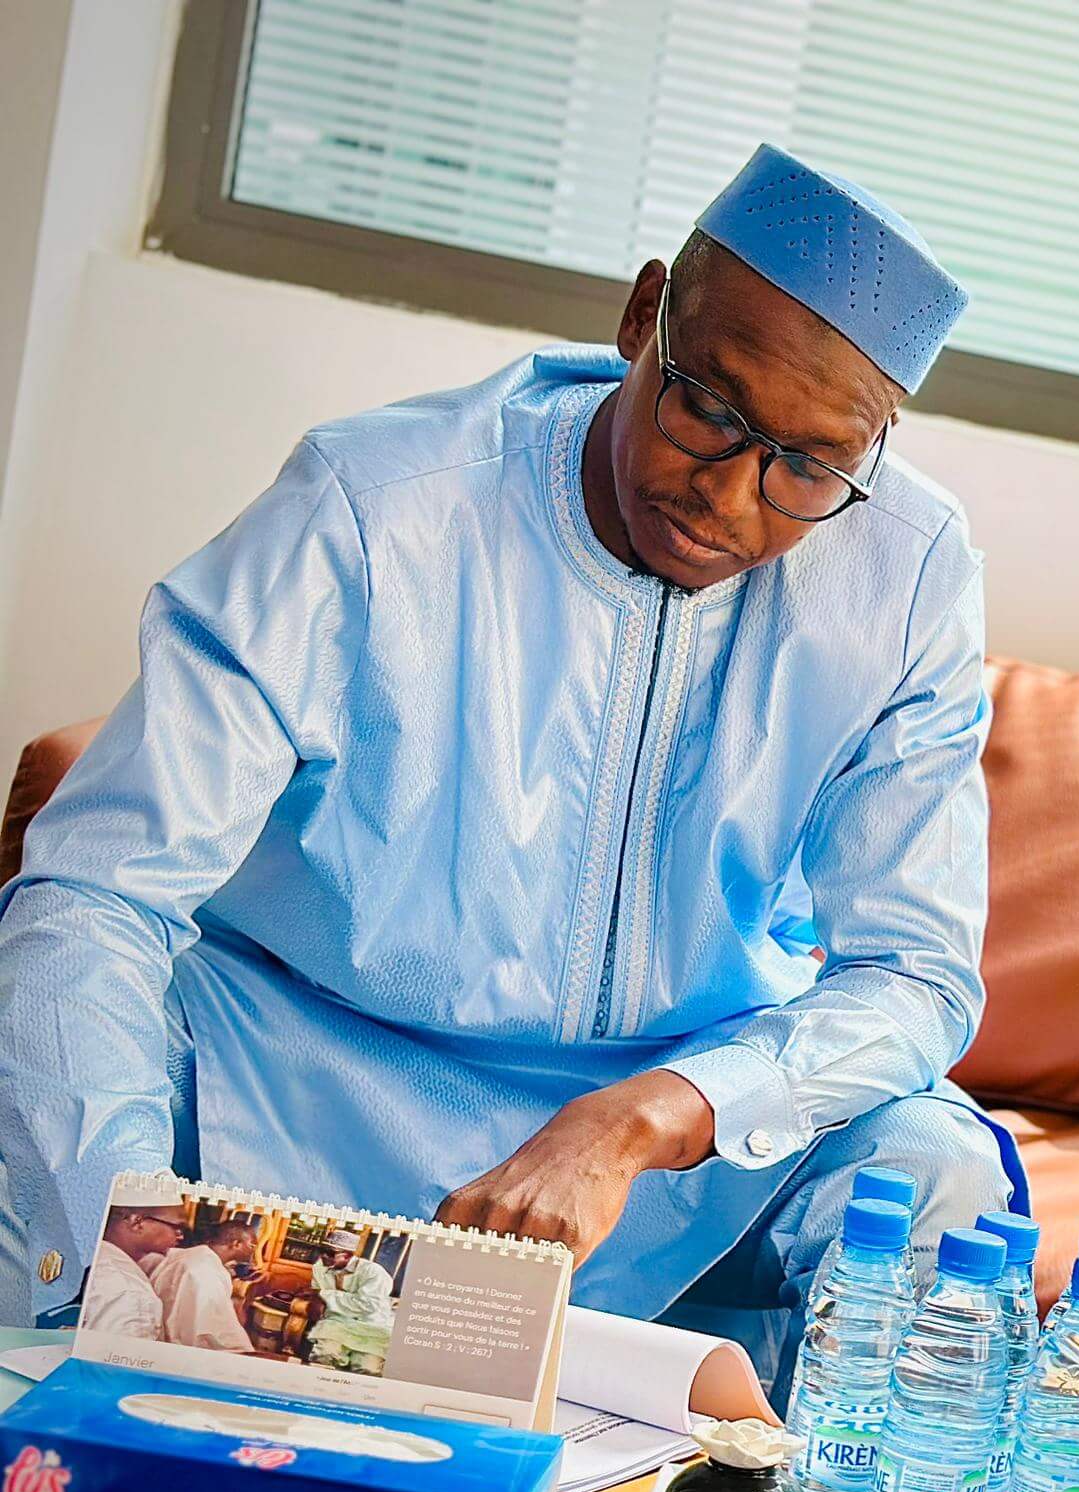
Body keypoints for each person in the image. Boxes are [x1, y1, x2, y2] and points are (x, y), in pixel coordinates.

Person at [0, 145, 1023, 1384]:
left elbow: (914, 975)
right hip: (296, 1082)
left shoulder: (908, 574)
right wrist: (122, 1242)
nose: (731, 497)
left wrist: (649, 1115)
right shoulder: (376, 505)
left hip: (675, 1148)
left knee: (935, 1167)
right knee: (55, 1076)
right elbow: (100, 887)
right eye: (710, 410)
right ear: (645, 316)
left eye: (807, 466)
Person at [151, 1215, 261, 1353]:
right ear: (236, 1244)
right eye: (252, 1245)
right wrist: (244, 1350)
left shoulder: (193, 1255)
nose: (253, 1251)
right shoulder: (207, 1272)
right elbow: (215, 1331)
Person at [79, 1204, 185, 1343]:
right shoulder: (131, 1293)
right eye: (177, 1227)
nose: (181, 1236)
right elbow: (113, 1355)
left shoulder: (97, 1257)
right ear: (137, 1222)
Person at [309, 1230, 394, 1331]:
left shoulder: (373, 1272)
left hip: (368, 1326)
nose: (323, 1256)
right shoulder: (319, 1267)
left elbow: (366, 1306)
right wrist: (317, 1298)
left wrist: (322, 1294)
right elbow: (316, 1294)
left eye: (330, 1253)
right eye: (321, 1250)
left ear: (347, 1255)